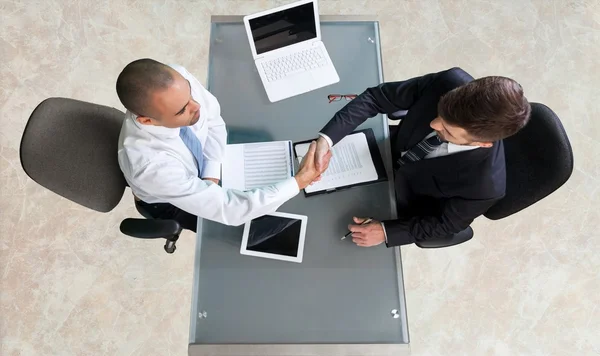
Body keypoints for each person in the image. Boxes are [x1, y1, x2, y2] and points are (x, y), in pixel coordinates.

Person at [314, 67, 531, 247]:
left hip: (399, 200)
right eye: (439, 114)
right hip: (383, 150)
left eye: (447, 130)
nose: (433, 125)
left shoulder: (485, 188)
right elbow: (376, 98)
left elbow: (445, 225)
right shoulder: (449, 81)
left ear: (481, 143)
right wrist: (326, 139)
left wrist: (386, 231)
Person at [116, 58, 329, 232]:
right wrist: (299, 182)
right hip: (172, 201)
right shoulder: (150, 166)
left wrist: (211, 174)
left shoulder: (175, 81)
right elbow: (231, 210)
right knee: (253, 231)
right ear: (147, 121)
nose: (196, 106)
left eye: (190, 94)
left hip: (205, 170)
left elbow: (213, 119)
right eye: (182, 110)